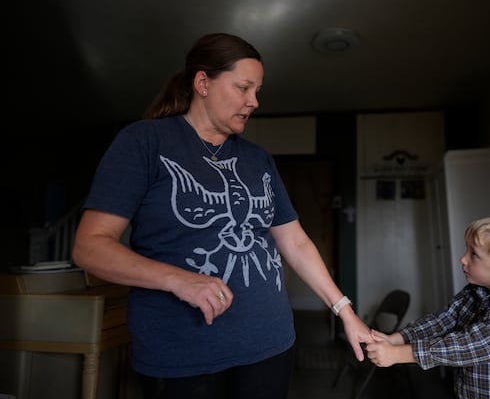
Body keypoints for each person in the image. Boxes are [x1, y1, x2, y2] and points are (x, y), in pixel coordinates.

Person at [71, 32, 372, 399]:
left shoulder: (258, 158)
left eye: (257, 91)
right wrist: (179, 280)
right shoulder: (144, 142)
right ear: (203, 83)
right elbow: (90, 247)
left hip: (271, 343)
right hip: (183, 352)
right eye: (243, 88)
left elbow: (294, 241)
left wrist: (344, 311)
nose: (254, 101)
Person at [366, 215, 490, 398]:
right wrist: (397, 339)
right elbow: (441, 320)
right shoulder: (474, 291)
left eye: (474, 254)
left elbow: (469, 346)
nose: (463, 259)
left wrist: (399, 354)